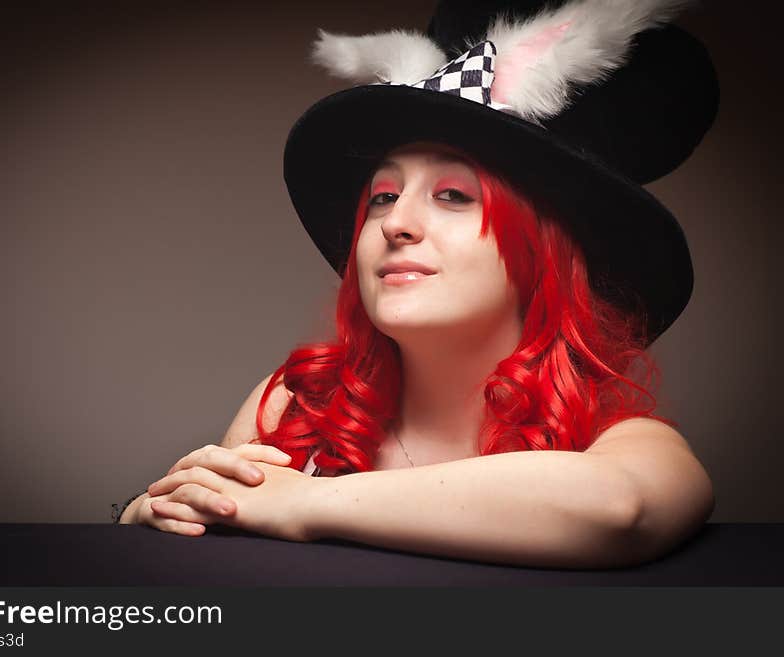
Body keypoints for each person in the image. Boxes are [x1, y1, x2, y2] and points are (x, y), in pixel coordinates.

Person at [116, 0, 718, 569]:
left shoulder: (615, 439)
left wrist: (302, 503)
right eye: (382, 197)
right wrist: (158, 528)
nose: (395, 223)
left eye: (453, 195)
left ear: (541, 252)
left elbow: (619, 510)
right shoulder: (293, 406)